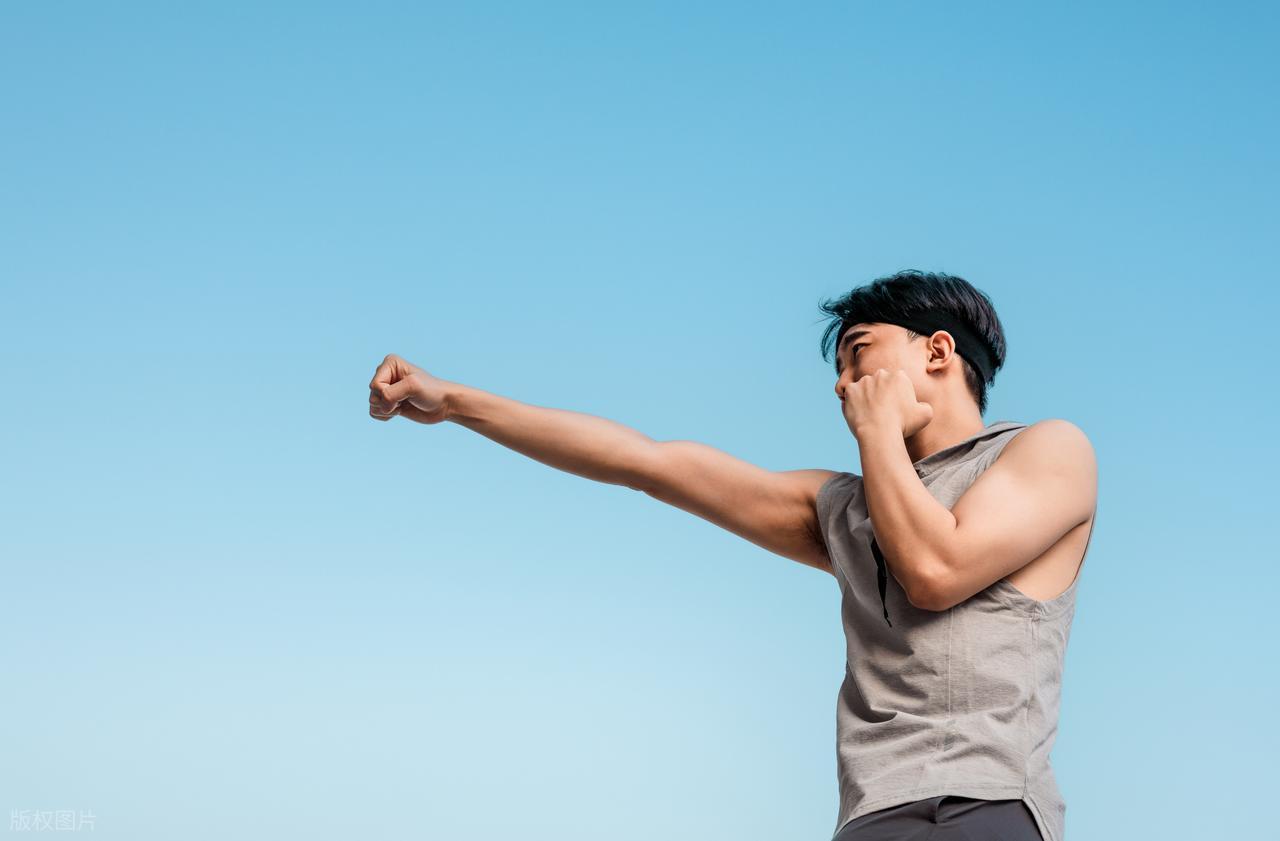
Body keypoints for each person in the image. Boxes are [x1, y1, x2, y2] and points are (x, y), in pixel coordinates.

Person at [367, 269, 1097, 841]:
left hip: (979, 809)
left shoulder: (1047, 451)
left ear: (937, 351)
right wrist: (454, 402)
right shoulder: (848, 507)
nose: (842, 385)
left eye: (858, 353)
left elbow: (935, 571)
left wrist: (877, 433)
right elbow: (648, 461)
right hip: (871, 818)